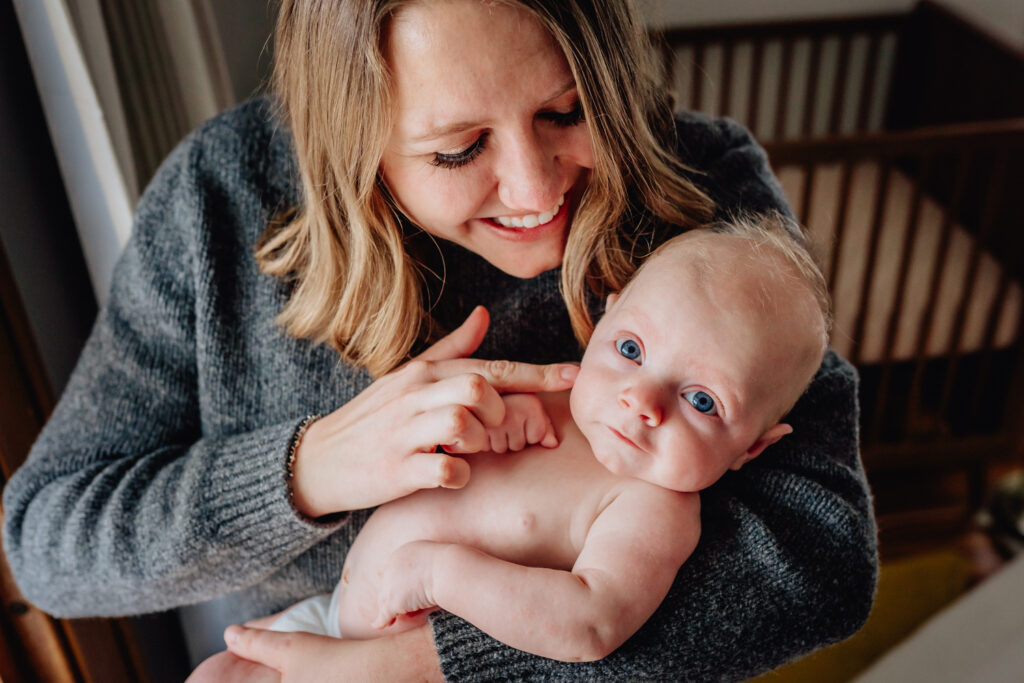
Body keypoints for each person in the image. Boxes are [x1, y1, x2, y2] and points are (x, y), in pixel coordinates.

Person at [2, 0, 877, 680]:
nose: (538, 190)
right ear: (350, 137)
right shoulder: (219, 201)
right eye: (459, 151)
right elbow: (47, 540)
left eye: (570, 111)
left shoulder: (699, 192)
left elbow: (822, 556)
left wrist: (426, 665)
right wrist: (312, 468)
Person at [266, 218, 832, 664]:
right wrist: (480, 431)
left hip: (397, 657)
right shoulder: (558, 395)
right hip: (333, 614)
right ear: (604, 321)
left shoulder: (653, 507)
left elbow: (590, 625)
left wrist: (439, 575)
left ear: (750, 449)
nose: (642, 401)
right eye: (631, 350)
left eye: (702, 401)